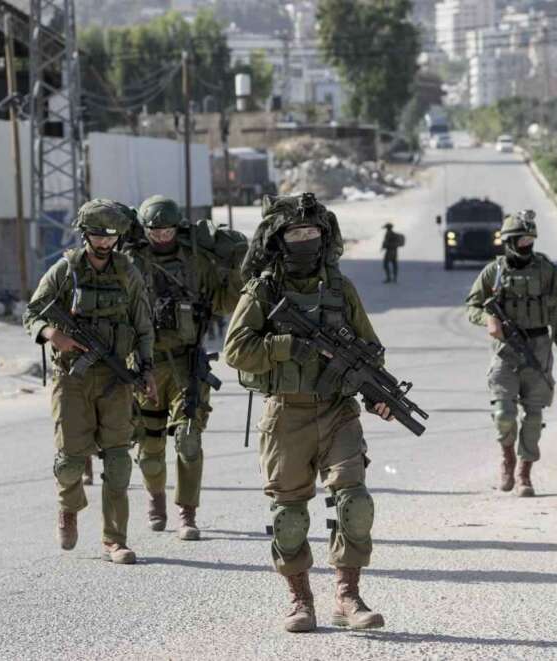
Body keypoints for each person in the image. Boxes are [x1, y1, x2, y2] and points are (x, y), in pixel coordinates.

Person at [224, 192, 392, 633]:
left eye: (312, 233)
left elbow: (370, 349)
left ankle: (347, 596)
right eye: (295, 234)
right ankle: (300, 600)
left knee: (355, 502)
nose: (305, 240)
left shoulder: (340, 289)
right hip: (286, 414)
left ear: (324, 237)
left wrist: (376, 393)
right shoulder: (263, 291)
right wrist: (287, 346)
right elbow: (235, 350)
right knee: (289, 515)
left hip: (338, 410)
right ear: (278, 240)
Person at [22, 199, 157, 564]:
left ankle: (115, 540)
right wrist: (52, 334)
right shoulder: (65, 270)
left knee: (118, 462)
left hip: (115, 379)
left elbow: (143, 325)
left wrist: (146, 369)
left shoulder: (127, 273)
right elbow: (32, 312)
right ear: (85, 234)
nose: (105, 243)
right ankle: (68, 508)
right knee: (70, 462)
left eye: (111, 236)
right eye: (98, 235)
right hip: (72, 379)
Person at [123, 195, 242, 539]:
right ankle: (155, 498)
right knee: (149, 448)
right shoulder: (131, 262)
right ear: (145, 230)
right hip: (144, 365)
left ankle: (187, 513)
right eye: (155, 231)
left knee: (189, 440)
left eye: (168, 231)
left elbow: (223, 301)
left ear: (178, 228)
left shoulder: (196, 262)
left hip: (187, 362)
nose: (162, 237)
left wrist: (238, 275)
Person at [464, 210, 557, 496]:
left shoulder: (547, 270)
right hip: (506, 351)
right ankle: (507, 458)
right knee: (503, 413)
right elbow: (472, 306)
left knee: (533, 417)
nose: (527, 245)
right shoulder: (494, 272)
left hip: (539, 348)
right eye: (521, 240)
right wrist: (487, 319)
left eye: (530, 239)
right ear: (509, 241)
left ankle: (525, 472)